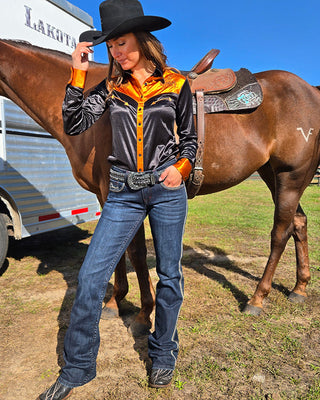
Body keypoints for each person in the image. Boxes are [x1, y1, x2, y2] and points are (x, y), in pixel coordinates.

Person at [37, 0, 197, 398]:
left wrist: (182, 167)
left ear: (142, 40)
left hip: (165, 191)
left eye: (122, 43)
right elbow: (73, 121)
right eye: (111, 47)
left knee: (171, 277)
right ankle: (77, 368)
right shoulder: (111, 87)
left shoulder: (176, 83)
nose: (116, 52)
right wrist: (77, 70)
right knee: (91, 277)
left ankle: (163, 352)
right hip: (123, 191)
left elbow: (191, 140)